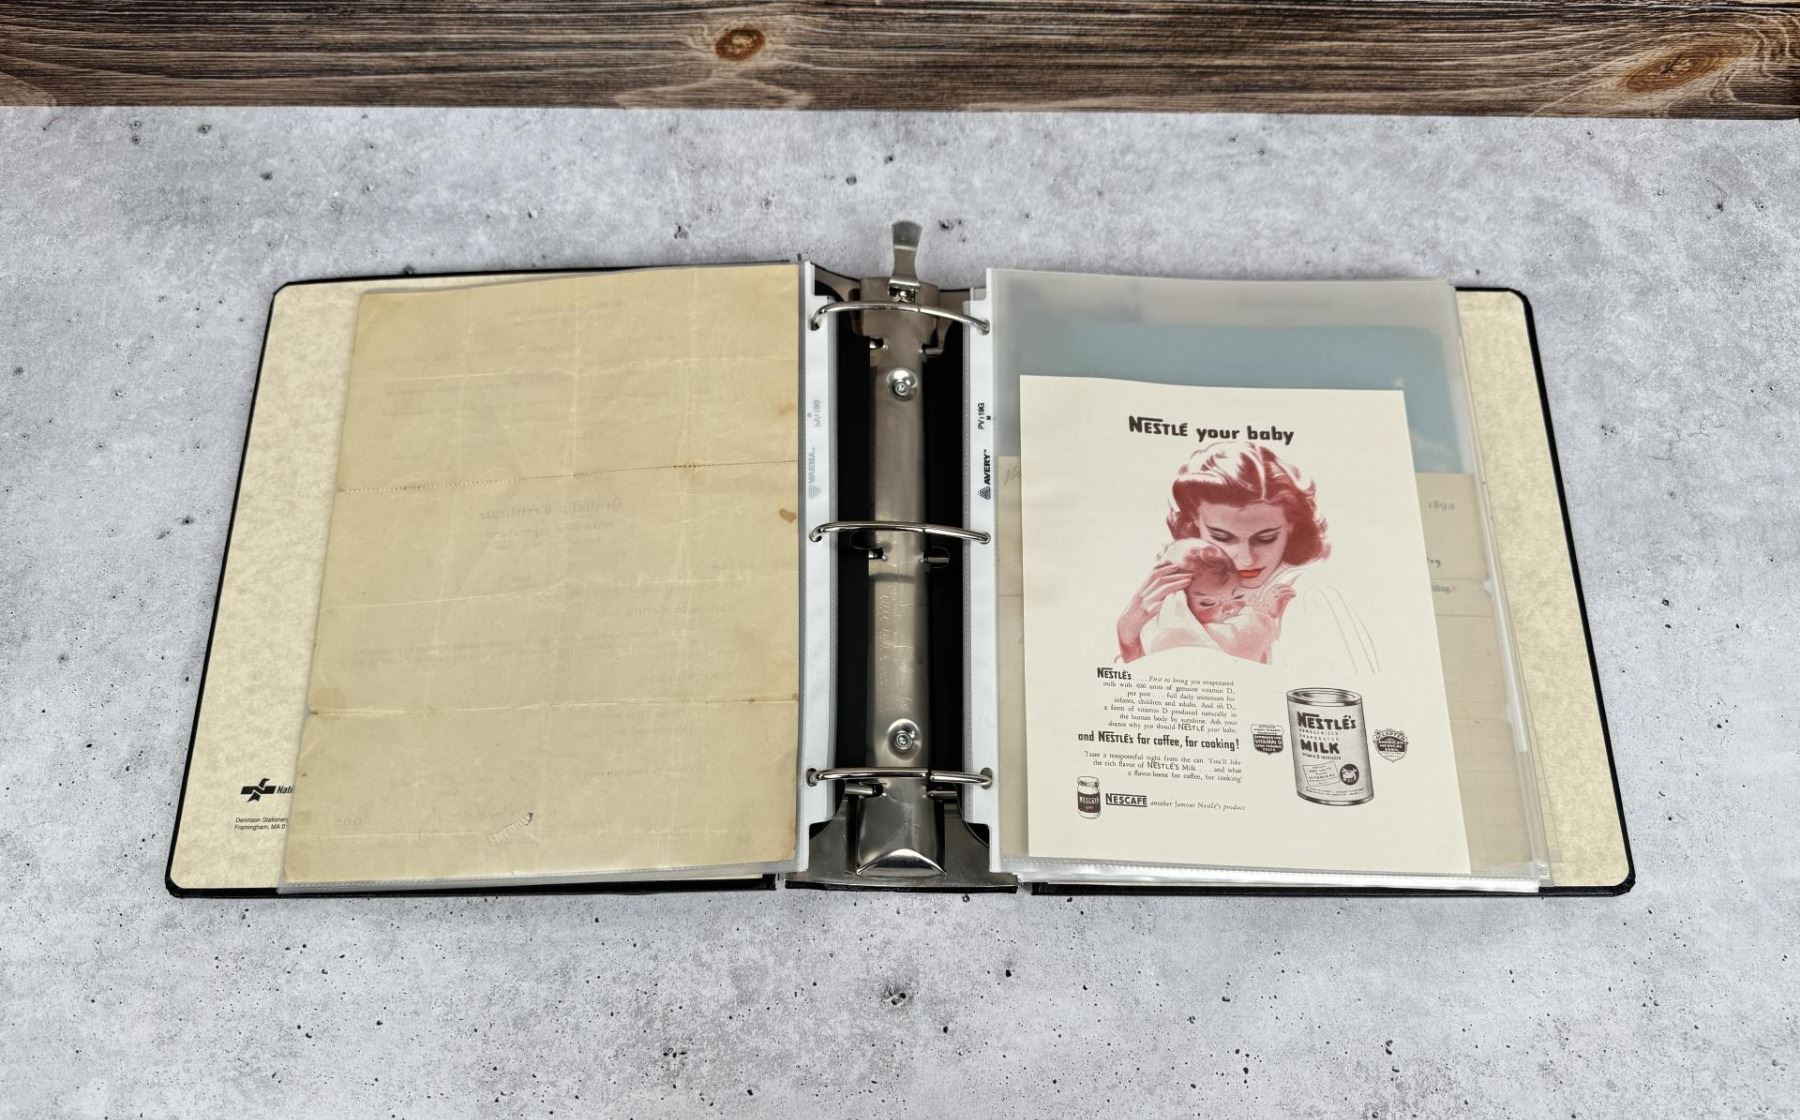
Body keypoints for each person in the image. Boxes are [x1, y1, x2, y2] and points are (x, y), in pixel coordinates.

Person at [1117, 440, 1375, 671]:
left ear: (1292, 526)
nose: (1246, 559)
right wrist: (1128, 636)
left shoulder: (1309, 598)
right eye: (1222, 537)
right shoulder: (1178, 594)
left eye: (1265, 539)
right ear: (1195, 522)